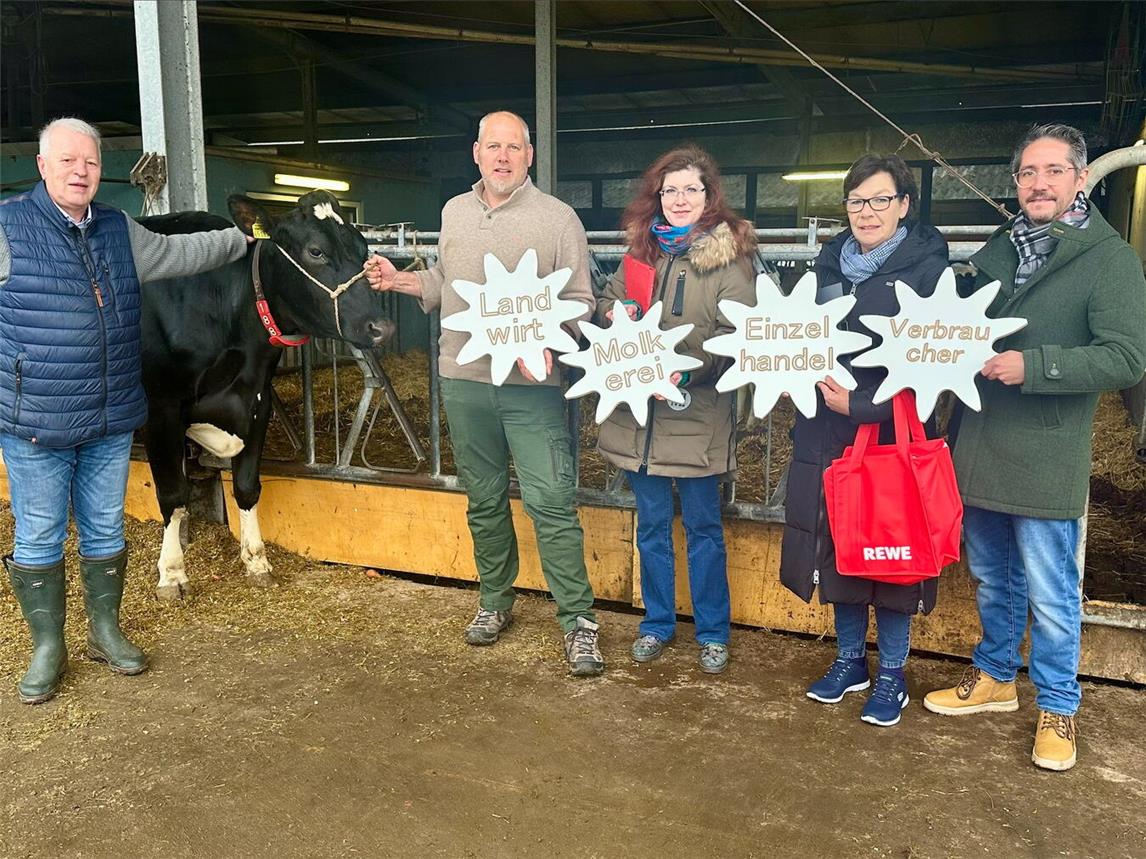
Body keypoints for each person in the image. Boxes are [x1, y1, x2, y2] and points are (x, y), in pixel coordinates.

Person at [0, 117, 253, 704]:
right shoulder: (7, 227)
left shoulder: (118, 229)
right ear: (42, 166)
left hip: (111, 417)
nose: (81, 171)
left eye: (90, 162)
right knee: (39, 535)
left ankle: (105, 632)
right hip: (36, 421)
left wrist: (240, 240)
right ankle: (48, 647)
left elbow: (179, 252)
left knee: (105, 528)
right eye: (68, 161)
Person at [924, 124, 1146, 770]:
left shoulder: (1108, 259)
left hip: (1047, 447)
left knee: (1052, 590)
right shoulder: (1003, 247)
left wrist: (1036, 365)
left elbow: (1126, 357)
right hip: (982, 440)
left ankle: (1058, 704)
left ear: (1081, 178)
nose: (1039, 183)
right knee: (992, 575)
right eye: (1028, 172)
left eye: (1053, 171)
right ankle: (996, 675)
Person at [364, 111, 604, 677]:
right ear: (476, 152)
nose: (502, 157)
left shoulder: (558, 219)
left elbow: (580, 300)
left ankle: (578, 620)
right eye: (493, 147)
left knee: (550, 499)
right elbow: (447, 280)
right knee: (485, 498)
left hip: (531, 386)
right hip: (464, 378)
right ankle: (495, 600)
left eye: (513, 147)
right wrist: (401, 280)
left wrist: (551, 340)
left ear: (529, 155)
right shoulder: (454, 211)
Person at [780, 154, 949, 727]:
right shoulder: (826, 267)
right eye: (856, 201)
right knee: (842, 551)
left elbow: (934, 366)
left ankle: (893, 674)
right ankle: (850, 660)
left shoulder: (929, 272)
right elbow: (798, 340)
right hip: (825, 436)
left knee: (893, 554)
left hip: (890, 437)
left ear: (903, 205)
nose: (866, 212)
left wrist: (861, 405)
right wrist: (785, 371)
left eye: (880, 200)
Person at [593, 146, 755, 674]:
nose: (679, 199)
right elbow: (605, 302)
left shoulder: (729, 260)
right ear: (657, 197)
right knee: (652, 527)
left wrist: (687, 371)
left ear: (709, 196)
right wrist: (615, 311)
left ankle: (712, 632)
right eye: (670, 190)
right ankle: (657, 623)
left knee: (704, 528)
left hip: (694, 417)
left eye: (690, 189)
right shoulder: (641, 253)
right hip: (640, 419)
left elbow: (736, 333)